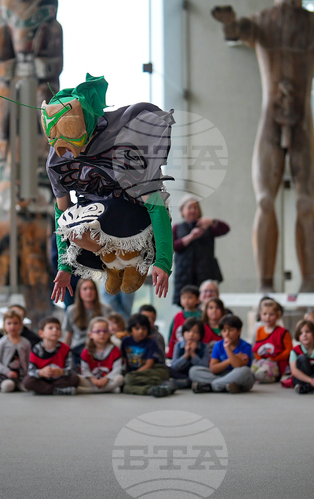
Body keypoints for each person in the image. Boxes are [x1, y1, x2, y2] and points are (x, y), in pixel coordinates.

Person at [43, 75, 173, 303]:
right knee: (69, 226)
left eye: (70, 130)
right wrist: (64, 266)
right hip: (95, 217)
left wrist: (163, 261)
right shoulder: (57, 161)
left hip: (135, 217)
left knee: (106, 210)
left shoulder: (123, 143)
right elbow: (60, 212)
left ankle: (133, 257)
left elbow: (155, 205)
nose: (63, 148)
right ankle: (112, 260)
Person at [172, 196, 230, 306]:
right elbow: (173, 246)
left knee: (209, 303)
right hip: (184, 273)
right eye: (190, 207)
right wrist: (190, 237)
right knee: (186, 303)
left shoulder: (207, 225)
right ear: (182, 210)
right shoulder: (177, 228)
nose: (193, 210)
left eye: (195, 207)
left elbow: (225, 229)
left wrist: (213, 221)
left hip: (206, 271)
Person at [189, 315, 255, 393]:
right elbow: (213, 369)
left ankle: (212, 386)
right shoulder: (218, 345)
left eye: (231, 330)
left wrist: (227, 348)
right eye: (224, 331)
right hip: (222, 374)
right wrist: (230, 360)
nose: (227, 334)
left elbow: (237, 366)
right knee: (193, 371)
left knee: (245, 371)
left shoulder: (246, 346)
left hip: (237, 375)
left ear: (239, 331)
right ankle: (225, 385)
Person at [121, 313, 176, 398]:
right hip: (137, 375)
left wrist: (134, 374)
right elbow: (125, 360)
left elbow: (149, 364)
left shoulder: (151, 342)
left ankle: (162, 382)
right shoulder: (125, 341)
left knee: (129, 379)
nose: (141, 331)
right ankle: (152, 389)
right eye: (137, 329)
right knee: (125, 388)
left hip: (154, 370)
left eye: (144, 328)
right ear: (131, 330)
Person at [22, 317, 79, 395]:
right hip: (42, 379)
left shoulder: (65, 349)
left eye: (58, 328)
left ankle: (44, 389)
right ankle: (57, 390)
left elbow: (71, 369)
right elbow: (31, 371)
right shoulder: (36, 349)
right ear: (41, 333)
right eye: (50, 328)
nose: (55, 330)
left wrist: (61, 372)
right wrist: (41, 372)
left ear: (60, 333)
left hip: (59, 378)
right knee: (27, 381)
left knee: (74, 378)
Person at [61, 279, 112, 359]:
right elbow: (68, 335)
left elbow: (112, 332)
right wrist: (64, 356)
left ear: (96, 291)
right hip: (79, 349)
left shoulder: (106, 309)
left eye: (91, 288)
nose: (89, 292)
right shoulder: (71, 310)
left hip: (101, 348)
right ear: (79, 292)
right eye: (85, 289)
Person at [78, 317, 125, 394]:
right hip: (92, 381)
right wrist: (93, 380)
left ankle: (89, 390)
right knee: (78, 378)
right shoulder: (86, 351)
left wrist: (106, 379)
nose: (102, 334)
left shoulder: (114, 350)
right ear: (91, 334)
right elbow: (85, 370)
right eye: (98, 331)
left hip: (108, 380)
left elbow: (117, 369)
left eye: (105, 331)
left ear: (109, 333)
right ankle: (109, 389)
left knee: (120, 379)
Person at [251, 298, 292, 383]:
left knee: (261, 374)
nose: (268, 317)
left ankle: (267, 378)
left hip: (275, 364)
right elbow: (256, 348)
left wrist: (275, 358)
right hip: (261, 361)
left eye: (271, 314)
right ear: (260, 314)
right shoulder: (259, 330)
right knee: (250, 372)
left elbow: (289, 350)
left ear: (278, 315)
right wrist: (260, 359)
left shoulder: (283, 332)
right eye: (264, 314)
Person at [0, 309, 30, 392]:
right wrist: (7, 371)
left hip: (20, 374)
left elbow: (28, 361)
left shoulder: (25, 343)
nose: (12, 326)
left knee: (27, 387)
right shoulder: (2, 342)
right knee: (8, 386)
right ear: (4, 325)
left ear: (21, 324)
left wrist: (26, 374)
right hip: (4, 373)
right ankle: (5, 384)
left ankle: (17, 384)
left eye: (15, 323)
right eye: (9, 323)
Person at [170, 318, 211, 388]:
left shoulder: (204, 347)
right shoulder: (178, 346)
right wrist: (186, 355)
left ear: (201, 334)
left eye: (195, 332)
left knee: (194, 372)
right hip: (181, 373)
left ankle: (186, 382)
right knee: (167, 369)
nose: (191, 335)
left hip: (196, 374)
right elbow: (174, 367)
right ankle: (188, 382)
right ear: (183, 333)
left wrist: (193, 354)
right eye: (188, 331)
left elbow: (205, 365)